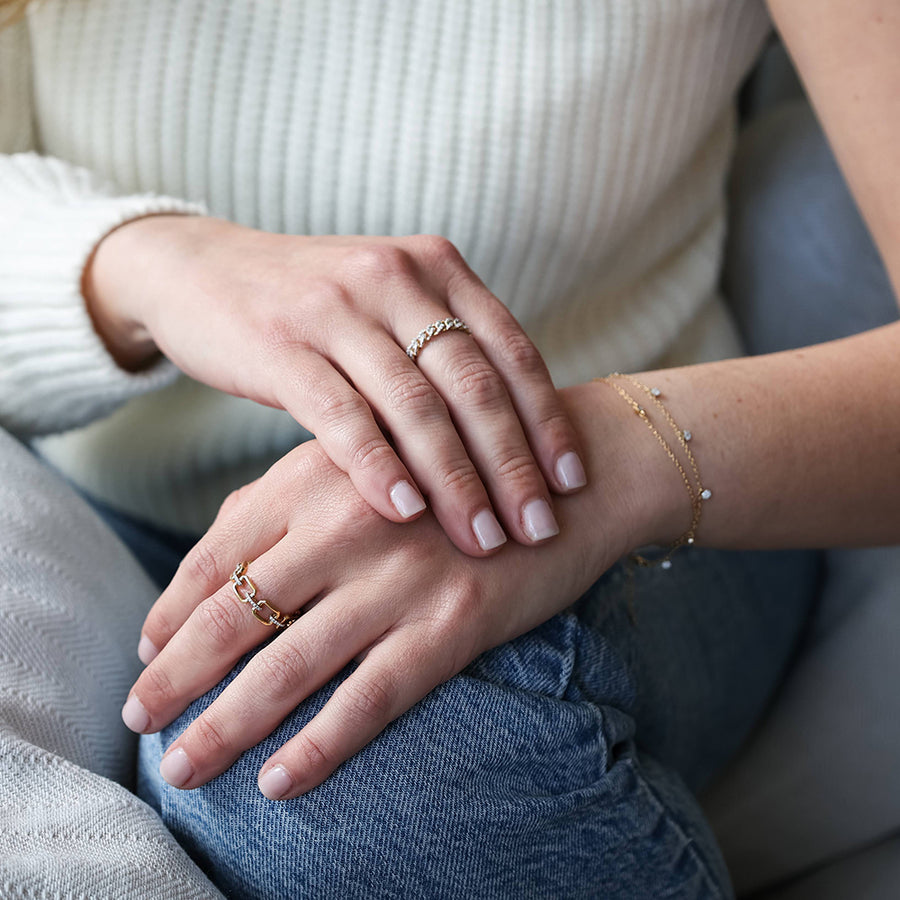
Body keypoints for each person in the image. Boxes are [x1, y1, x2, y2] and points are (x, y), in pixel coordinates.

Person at [1, 1, 898, 897]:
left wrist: (601, 461)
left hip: (653, 501)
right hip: (101, 501)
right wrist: (140, 265)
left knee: (335, 783)